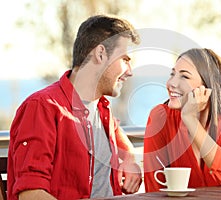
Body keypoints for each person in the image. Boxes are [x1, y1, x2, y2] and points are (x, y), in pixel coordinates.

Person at [8, 14, 142, 199]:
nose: (130, 72)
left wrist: (129, 158)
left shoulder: (102, 111)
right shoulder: (43, 108)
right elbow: (31, 194)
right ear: (100, 53)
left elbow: (118, 135)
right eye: (125, 59)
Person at [143, 48, 221, 192]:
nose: (171, 83)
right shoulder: (160, 117)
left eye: (184, 77)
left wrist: (190, 120)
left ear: (208, 85)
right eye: (172, 74)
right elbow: (153, 189)